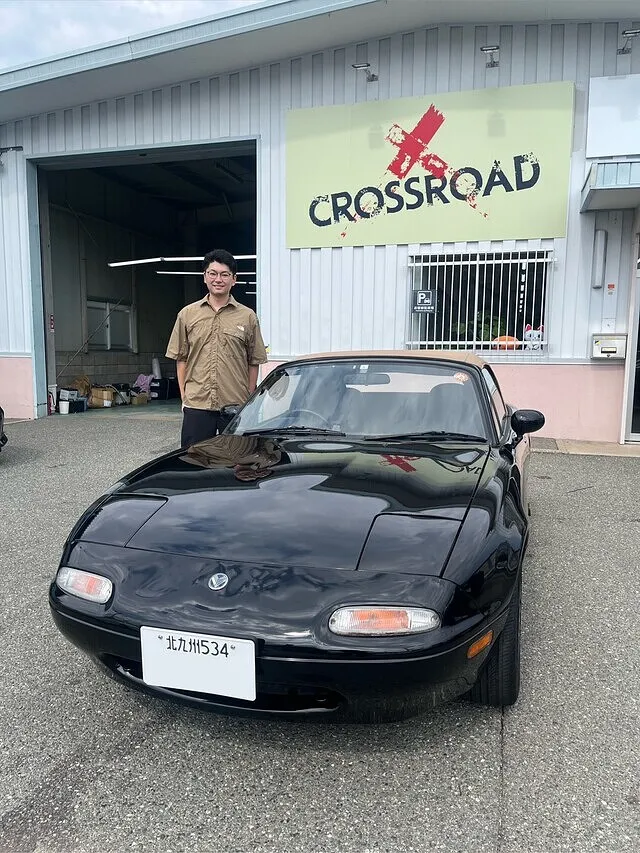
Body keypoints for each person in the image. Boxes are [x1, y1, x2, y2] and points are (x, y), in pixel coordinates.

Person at [165, 248, 268, 448]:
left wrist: (248, 397)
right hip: (197, 404)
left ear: (234, 279)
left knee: (237, 459)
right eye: (212, 273)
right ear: (205, 277)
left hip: (235, 404)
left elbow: (253, 360)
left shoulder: (247, 317)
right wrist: (185, 396)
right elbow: (181, 358)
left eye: (224, 274)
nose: (218, 279)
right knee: (194, 459)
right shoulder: (187, 314)